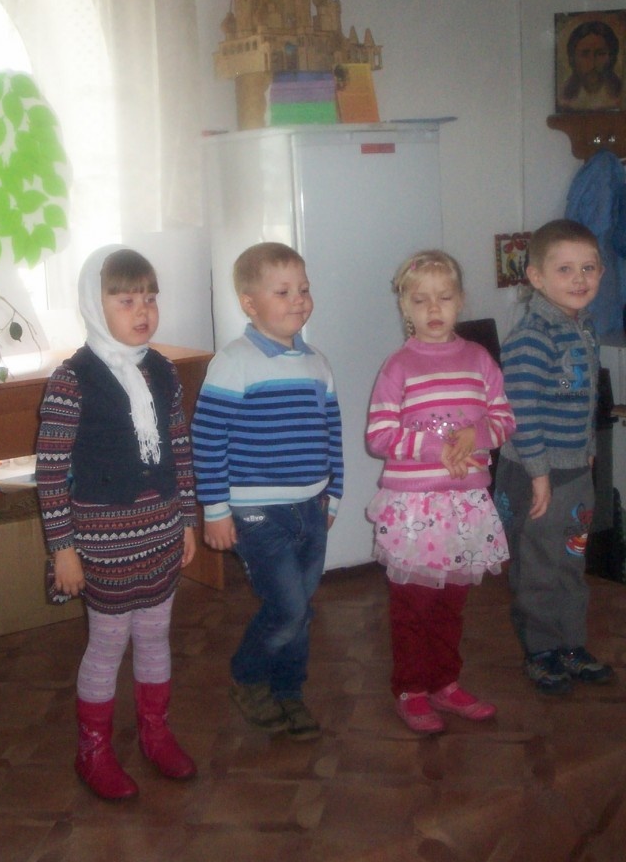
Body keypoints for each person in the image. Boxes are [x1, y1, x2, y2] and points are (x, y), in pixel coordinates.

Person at [35, 246, 197, 801]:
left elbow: (179, 448)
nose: (142, 310)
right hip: (103, 545)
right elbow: (50, 473)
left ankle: (155, 732)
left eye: (149, 298)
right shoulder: (72, 379)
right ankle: (94, 751)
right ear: (94, 303)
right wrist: (63, 549)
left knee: (154, 635)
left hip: (161, 533)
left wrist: (187, 520)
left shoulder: (163, 371)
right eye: (126, 300)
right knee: (107, 644)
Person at [191, 242, 342, 741]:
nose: (298, 299)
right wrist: (215, 510)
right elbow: (207, 439)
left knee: (301, 608)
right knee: (289, 608)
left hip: (311, 508)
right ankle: (248, 676)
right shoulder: (234, 362)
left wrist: (336, 493)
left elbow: (332, 431)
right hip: (257, 513)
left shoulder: (317, 364)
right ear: (249, 303)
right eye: (283, 291)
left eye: (304, 289)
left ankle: (288, 690)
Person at [365, 250, 515, 734]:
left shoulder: (479, 360)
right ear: (405, 307)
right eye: (421, 300)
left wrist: (477, 434)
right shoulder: (399, 366)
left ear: (461, 301)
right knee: (413, 605)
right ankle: (411, 690)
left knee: (451, 603)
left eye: (444, 298)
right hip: (415, 508)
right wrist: (437, 446)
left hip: (465, 506)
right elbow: (379, 436)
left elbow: (504, 420)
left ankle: (445, 683)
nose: (434, 308)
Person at [494, 219, 614, 696]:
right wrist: (540, 474)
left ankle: (571, 645)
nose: (579, 279)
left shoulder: (583, 329)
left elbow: (584, 403)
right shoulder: (532, 337)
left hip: (572, 469)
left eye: (589, 267)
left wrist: (588, 452)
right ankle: (541, 649)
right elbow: (520, 413)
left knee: (570, 558)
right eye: (565, 269)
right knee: (539, 566)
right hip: (534, 473)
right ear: (536, 277)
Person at [558, 19, 624, 112]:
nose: (592, 61)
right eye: (584, 54)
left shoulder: (621, 94)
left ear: (612, 58)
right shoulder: (565, 96)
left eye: (600, 53)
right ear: (572, 59)